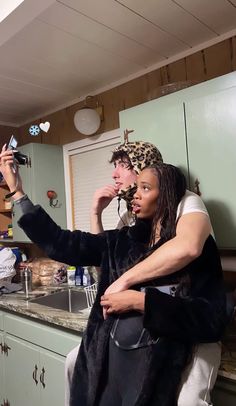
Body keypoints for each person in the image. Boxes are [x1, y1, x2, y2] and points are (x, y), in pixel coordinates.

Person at [0, 147, 227, 406]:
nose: (135, 195)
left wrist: (140, 301)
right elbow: (60, 243)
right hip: (111, 362)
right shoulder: (121, 240)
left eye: (145, 188)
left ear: (166, 197)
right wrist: (18, 192)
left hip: (158, 371)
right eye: (136, 188)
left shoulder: (193, 240)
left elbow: (210, 317)